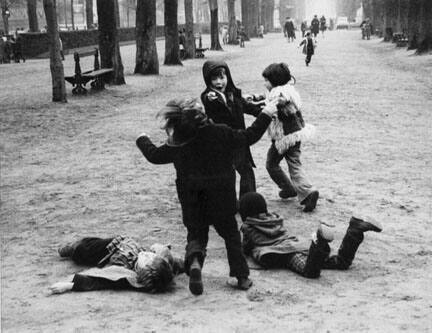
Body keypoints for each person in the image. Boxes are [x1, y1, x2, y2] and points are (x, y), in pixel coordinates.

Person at [136, 97, 279, 295]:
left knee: (196, 235)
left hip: (192, 199)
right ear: (202, 116)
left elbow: (154, 156)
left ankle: (195, 261)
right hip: (223, 196)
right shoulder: (221, 132)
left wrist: (142, 139)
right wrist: (266, 114)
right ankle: (241, 277)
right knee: (231, 235)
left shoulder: (178, 143)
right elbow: (250, 136)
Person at [239, 192, 383, 278]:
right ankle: (355, 229)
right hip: (299, 245)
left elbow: (245, 249)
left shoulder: (248, 227)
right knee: (340, 262)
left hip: (284, 254)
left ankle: (319, 242)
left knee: (310, 272)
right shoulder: (275, 219)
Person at [201, 61, 265, 200]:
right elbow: (208, 100)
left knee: (246, 170)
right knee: (225, 172)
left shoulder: (233, 94)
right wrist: (213, 97)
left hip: (239, 140)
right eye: (214, 79)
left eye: (222, 78)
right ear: (208, 80)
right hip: (221, 141)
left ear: (228, 77)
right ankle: (226, 202)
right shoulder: (209, 96)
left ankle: (247, 201)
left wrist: (262, 112)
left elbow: (247, 107)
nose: (219, 82)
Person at [262, 63, 318, 212]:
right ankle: (302, 190)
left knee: (271, 163)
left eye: (266, 80)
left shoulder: (279, 93)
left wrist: (275, 102)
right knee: (294, 164)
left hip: (284, 137)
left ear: (275, 80)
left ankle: (295, 189)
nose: (264, 83)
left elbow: (280, 99)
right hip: (295, 134)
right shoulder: (289, 90)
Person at [49, 236, 185, 294]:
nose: (148, 254)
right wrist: (188, 263)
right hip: (118, 240)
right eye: (151, 255)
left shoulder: (126, 272)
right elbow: (168, 259)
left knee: (80, 248)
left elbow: (103, 280)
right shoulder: (161, 264)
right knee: (170, 259)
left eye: (148, 259)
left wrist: (69, 286)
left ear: (143, 270)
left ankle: (70, 249)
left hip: (102, 251)